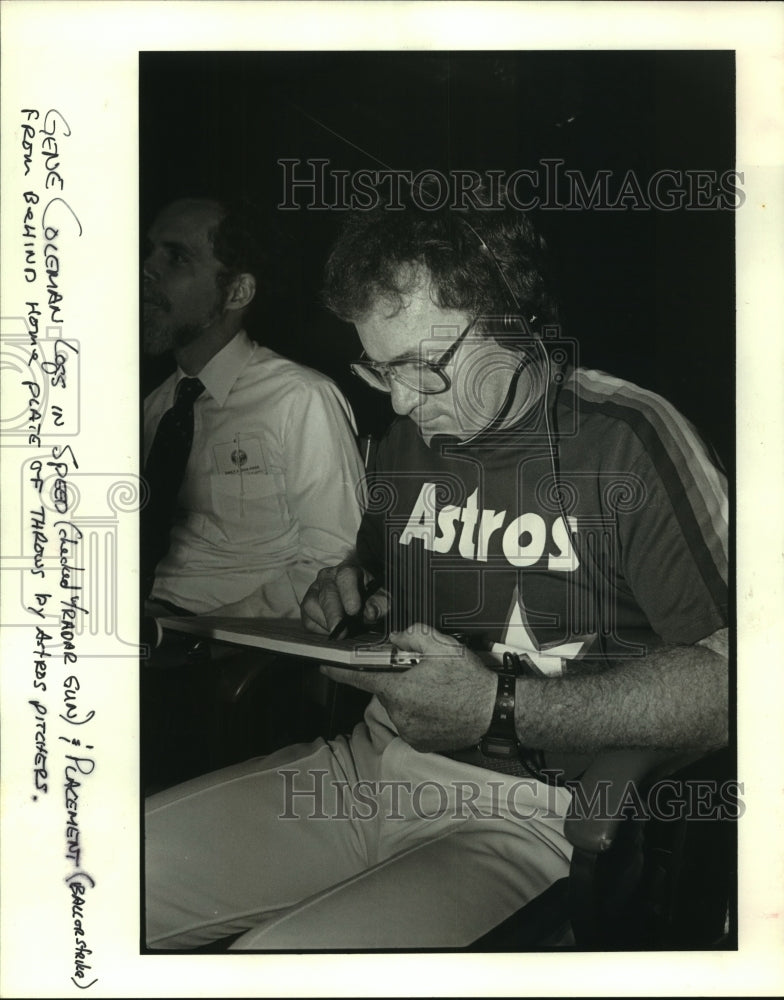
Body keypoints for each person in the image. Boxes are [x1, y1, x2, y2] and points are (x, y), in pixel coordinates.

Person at [145, 188, 729, 950]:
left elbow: (738, 690)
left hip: (530, 816)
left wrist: (500, 706)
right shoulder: (407, 439)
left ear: (517, 321)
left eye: (422, 367)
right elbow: (380, 579)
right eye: (378, 369)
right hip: (365, 770)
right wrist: (353, 593)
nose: (402, 403)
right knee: (91, 874)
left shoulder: (630, 440)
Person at [141, 197, 365, 618]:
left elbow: (334, 561)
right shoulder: (153, 409)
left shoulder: (300, 399)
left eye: (176, 257)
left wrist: (207, 633)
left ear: (237, 292)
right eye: (149, 251)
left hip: (228, 644)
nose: (146, 269)